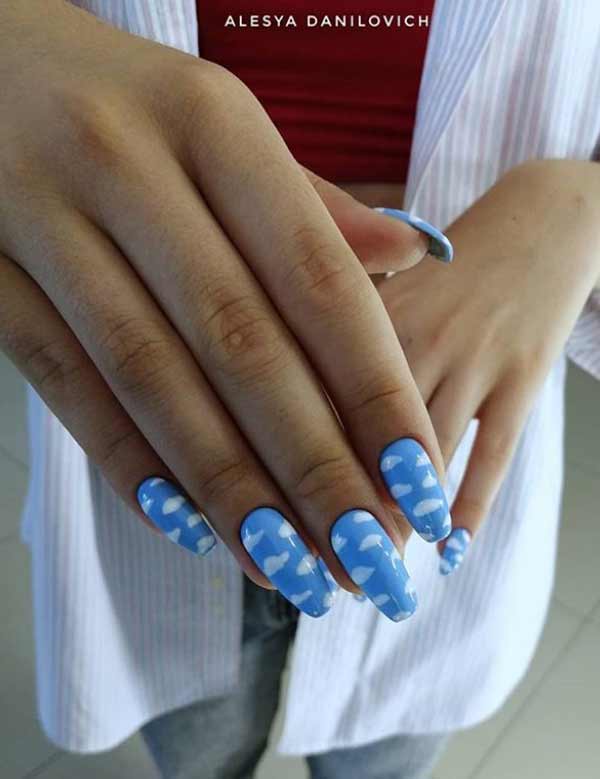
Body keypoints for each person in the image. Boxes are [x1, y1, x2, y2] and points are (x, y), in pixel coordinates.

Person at [1, 1, 599, 777]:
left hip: (455, 425)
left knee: (383, 753)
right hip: (150, 409)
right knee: (199, 751)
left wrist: (587, 206)